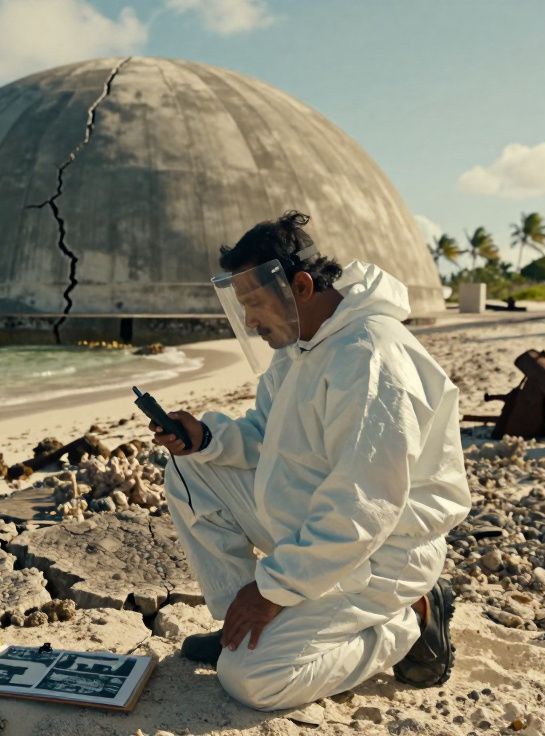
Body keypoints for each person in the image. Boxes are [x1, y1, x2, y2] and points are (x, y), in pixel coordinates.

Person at [149, 211, 471, 711]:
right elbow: (267, 434)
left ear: (300, 286)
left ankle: (409, 621)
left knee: (253, 680)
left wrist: (272, 590)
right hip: (321, 525)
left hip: (384, 551)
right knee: (192, 467)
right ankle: (239, 626)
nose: (250, 322)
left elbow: (364, 507)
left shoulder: (369, 358)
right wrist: (207, 438)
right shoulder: (301, 344)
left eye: (255, 304)